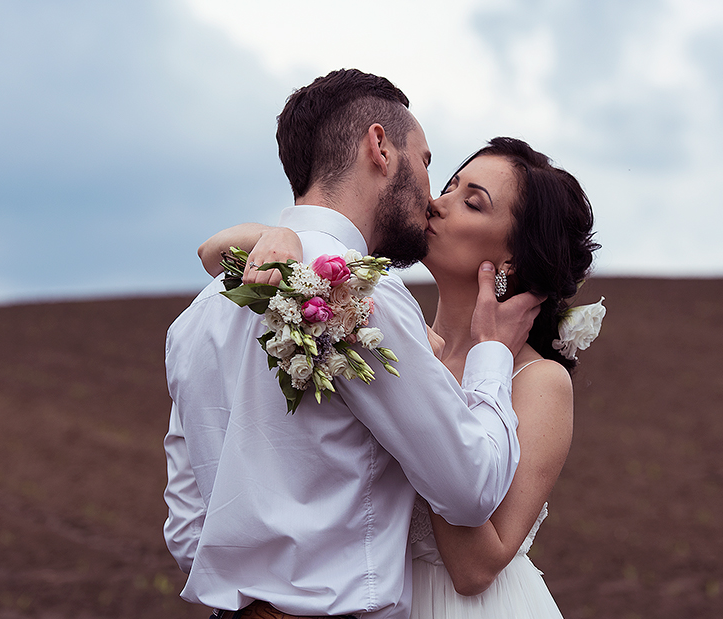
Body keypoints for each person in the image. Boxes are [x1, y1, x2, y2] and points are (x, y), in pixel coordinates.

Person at [163, 69, 544, 619]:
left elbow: (187, 529)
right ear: (380, 147)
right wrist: (491, 357)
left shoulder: (199, 315)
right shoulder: (362, 297)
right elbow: (471, 488)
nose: (432, 194)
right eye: (427, 161)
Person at [206, 137, 599, 618]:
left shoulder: (539, 381)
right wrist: (282, 238)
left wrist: (427, 413)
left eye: (471, 202)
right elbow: (217, 251)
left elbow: (475, 569)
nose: (436, 203)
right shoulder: (395, 345)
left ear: (511, 258)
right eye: (450, 186)